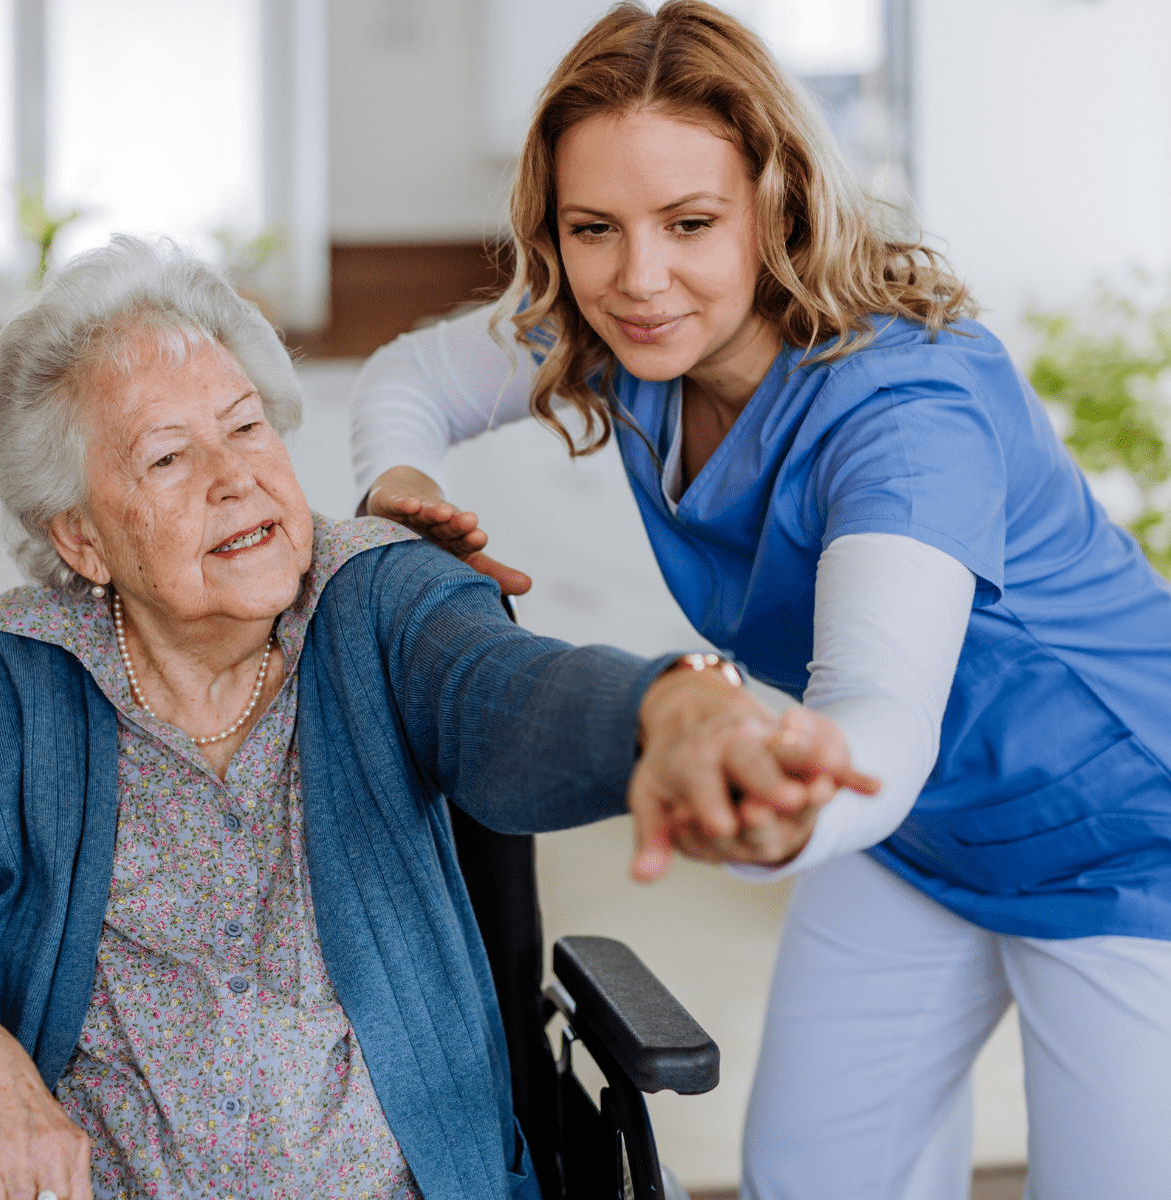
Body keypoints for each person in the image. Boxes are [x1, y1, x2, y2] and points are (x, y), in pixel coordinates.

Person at [0, 236, 864, 1200]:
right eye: (168, 459)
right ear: (81, 536)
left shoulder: (379, 599)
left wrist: (670, 713)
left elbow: (510, 695)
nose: (238, 477)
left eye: (245, 427)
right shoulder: (0, 694)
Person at [349, 3, 1171, 1197]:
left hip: (1123, 836)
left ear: (776, 204)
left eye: (690, 222)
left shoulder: (907, 414)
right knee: (811, 1176)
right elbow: (410, 374)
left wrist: (780, 809)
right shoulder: (623, 340)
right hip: (917, 839)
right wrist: (401, 485)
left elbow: (878, 711)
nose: (639, 278)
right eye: (594, 229)